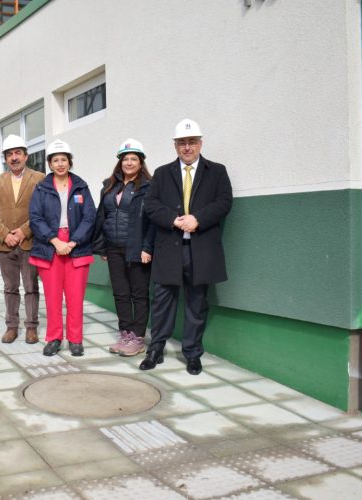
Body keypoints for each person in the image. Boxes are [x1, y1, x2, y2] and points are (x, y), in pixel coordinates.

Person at [141, 119, 233, 375]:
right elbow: (151, 205)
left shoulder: (217, 171)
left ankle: (192, 354)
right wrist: (173, 219)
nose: (187, 147)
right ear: (175, 146)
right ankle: (155, 349)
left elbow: (224, 202)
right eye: (182, 143)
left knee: (196, 302)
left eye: (192, 142)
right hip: (169, 248)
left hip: (201, 249)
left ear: (200, 143)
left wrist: (198, 219)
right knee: (162, 301)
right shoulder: (161, 173)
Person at [29, 139, 96, 357]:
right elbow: (35, 217)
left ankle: (75, 339)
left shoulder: (81, 186)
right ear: (49, 163)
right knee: (53, 296)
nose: (60, 164)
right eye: (55, 160)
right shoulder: (41, 187)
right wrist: (55, 241)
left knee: (75, 297)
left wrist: (73, 242)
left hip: (76, 245)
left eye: (63, 160)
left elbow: (89, 217)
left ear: (70, 162)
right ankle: (54, 337)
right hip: (50, 246)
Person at [93, 139, 155, 357]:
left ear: (141, 162)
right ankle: (125, 333)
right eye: (125, 159)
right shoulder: (109, 186)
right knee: (120, 293)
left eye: (133, 159)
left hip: (137, 248)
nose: (129, 163)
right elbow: (103, 215)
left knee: (138, 293)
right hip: (113, 248)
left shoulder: (149, 186)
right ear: (120, 162)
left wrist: (148, 248)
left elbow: (152, 221)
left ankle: (138, 337)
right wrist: (101, 247)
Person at [0, 134, 45, 344]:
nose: (14, 158)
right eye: (9, 154)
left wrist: (23, 231)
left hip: (29, 242)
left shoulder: (39, 178)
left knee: (31, 287)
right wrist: (5, 234)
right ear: (5, 158)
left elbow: (42, 209)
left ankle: (31, 327)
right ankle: (11, 327)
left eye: (17, 153)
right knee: (10, 287)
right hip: (5, 245)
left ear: (26, 156)